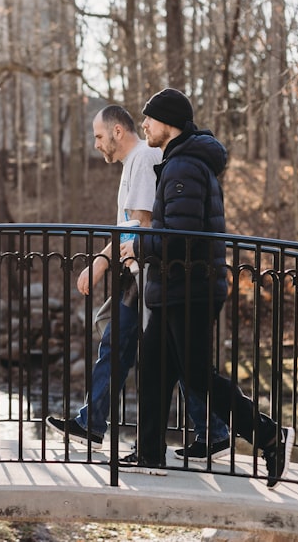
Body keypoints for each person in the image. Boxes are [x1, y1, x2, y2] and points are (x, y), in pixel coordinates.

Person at [119, 88, 294, 488]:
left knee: (196, 376)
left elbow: (179, 237)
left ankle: (269, 435)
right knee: (155, 367)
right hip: (176, 286)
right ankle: (148, 452)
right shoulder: (182, 162)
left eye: (148, 118)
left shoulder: (182, 168)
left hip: (189, 287)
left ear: (167, 123)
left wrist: (137, 244)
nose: (143, 124)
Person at [45, 105, 230, 459]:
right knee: (121, 349)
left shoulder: (144, 160)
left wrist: (101, 262)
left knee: (168, 356)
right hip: (138, 275)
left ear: (117, 131)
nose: (96, 144)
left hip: (147, 276)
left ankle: (213, 431)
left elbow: (142, 225)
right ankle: (93, 425)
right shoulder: (137, 162)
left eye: (99, 136)